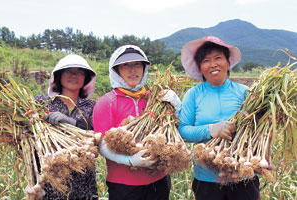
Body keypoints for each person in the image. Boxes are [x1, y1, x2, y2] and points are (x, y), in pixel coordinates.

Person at [178, 36, 260, 200]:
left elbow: (257, 126)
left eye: (218, 58)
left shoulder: (245, 92)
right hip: (207, 180)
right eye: (206, 60)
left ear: (227, 62)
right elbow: (182, 130)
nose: (213, 64)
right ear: (200, 68)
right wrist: (210, 130)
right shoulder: (193, 95)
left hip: (243, 175)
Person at [92, 45, 175, 200]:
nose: (132, 70)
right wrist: (129, 160)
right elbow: (102, 144)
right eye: (126, 65)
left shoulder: (155, 98)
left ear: (144, 69)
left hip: (159, 179)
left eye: (137, 64)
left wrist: (177, 106)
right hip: (124, 185)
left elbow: (174, 128)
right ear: (116, 70)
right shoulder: (106, 102)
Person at [35, 54, 98, 199]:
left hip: (83, 179)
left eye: (80, 72)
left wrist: (73, 123)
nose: (74, 76)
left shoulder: (92, 106)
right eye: (69, 71)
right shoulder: (42, 102)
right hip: (50, 177)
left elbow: (98, 132)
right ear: (59, 75)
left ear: (86, 78)